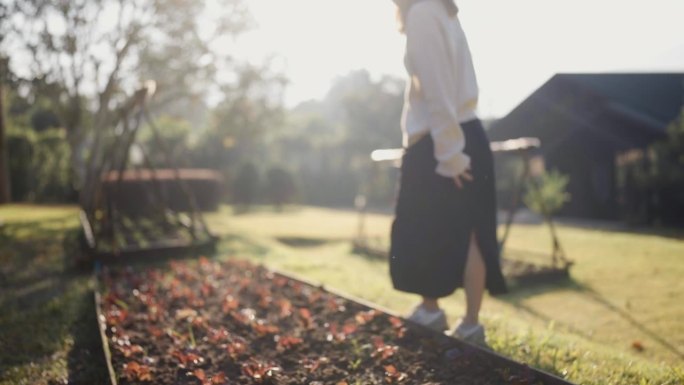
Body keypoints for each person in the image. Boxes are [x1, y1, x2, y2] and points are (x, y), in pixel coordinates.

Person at [389, 0, 508, 345]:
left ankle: (458, 321)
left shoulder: (424, 12)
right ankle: (446, 316)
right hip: (460, 133)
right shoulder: (440, 10)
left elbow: (438, 90)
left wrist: (451, 154)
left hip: (443, 139)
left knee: (443, 227)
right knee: (454, 228)